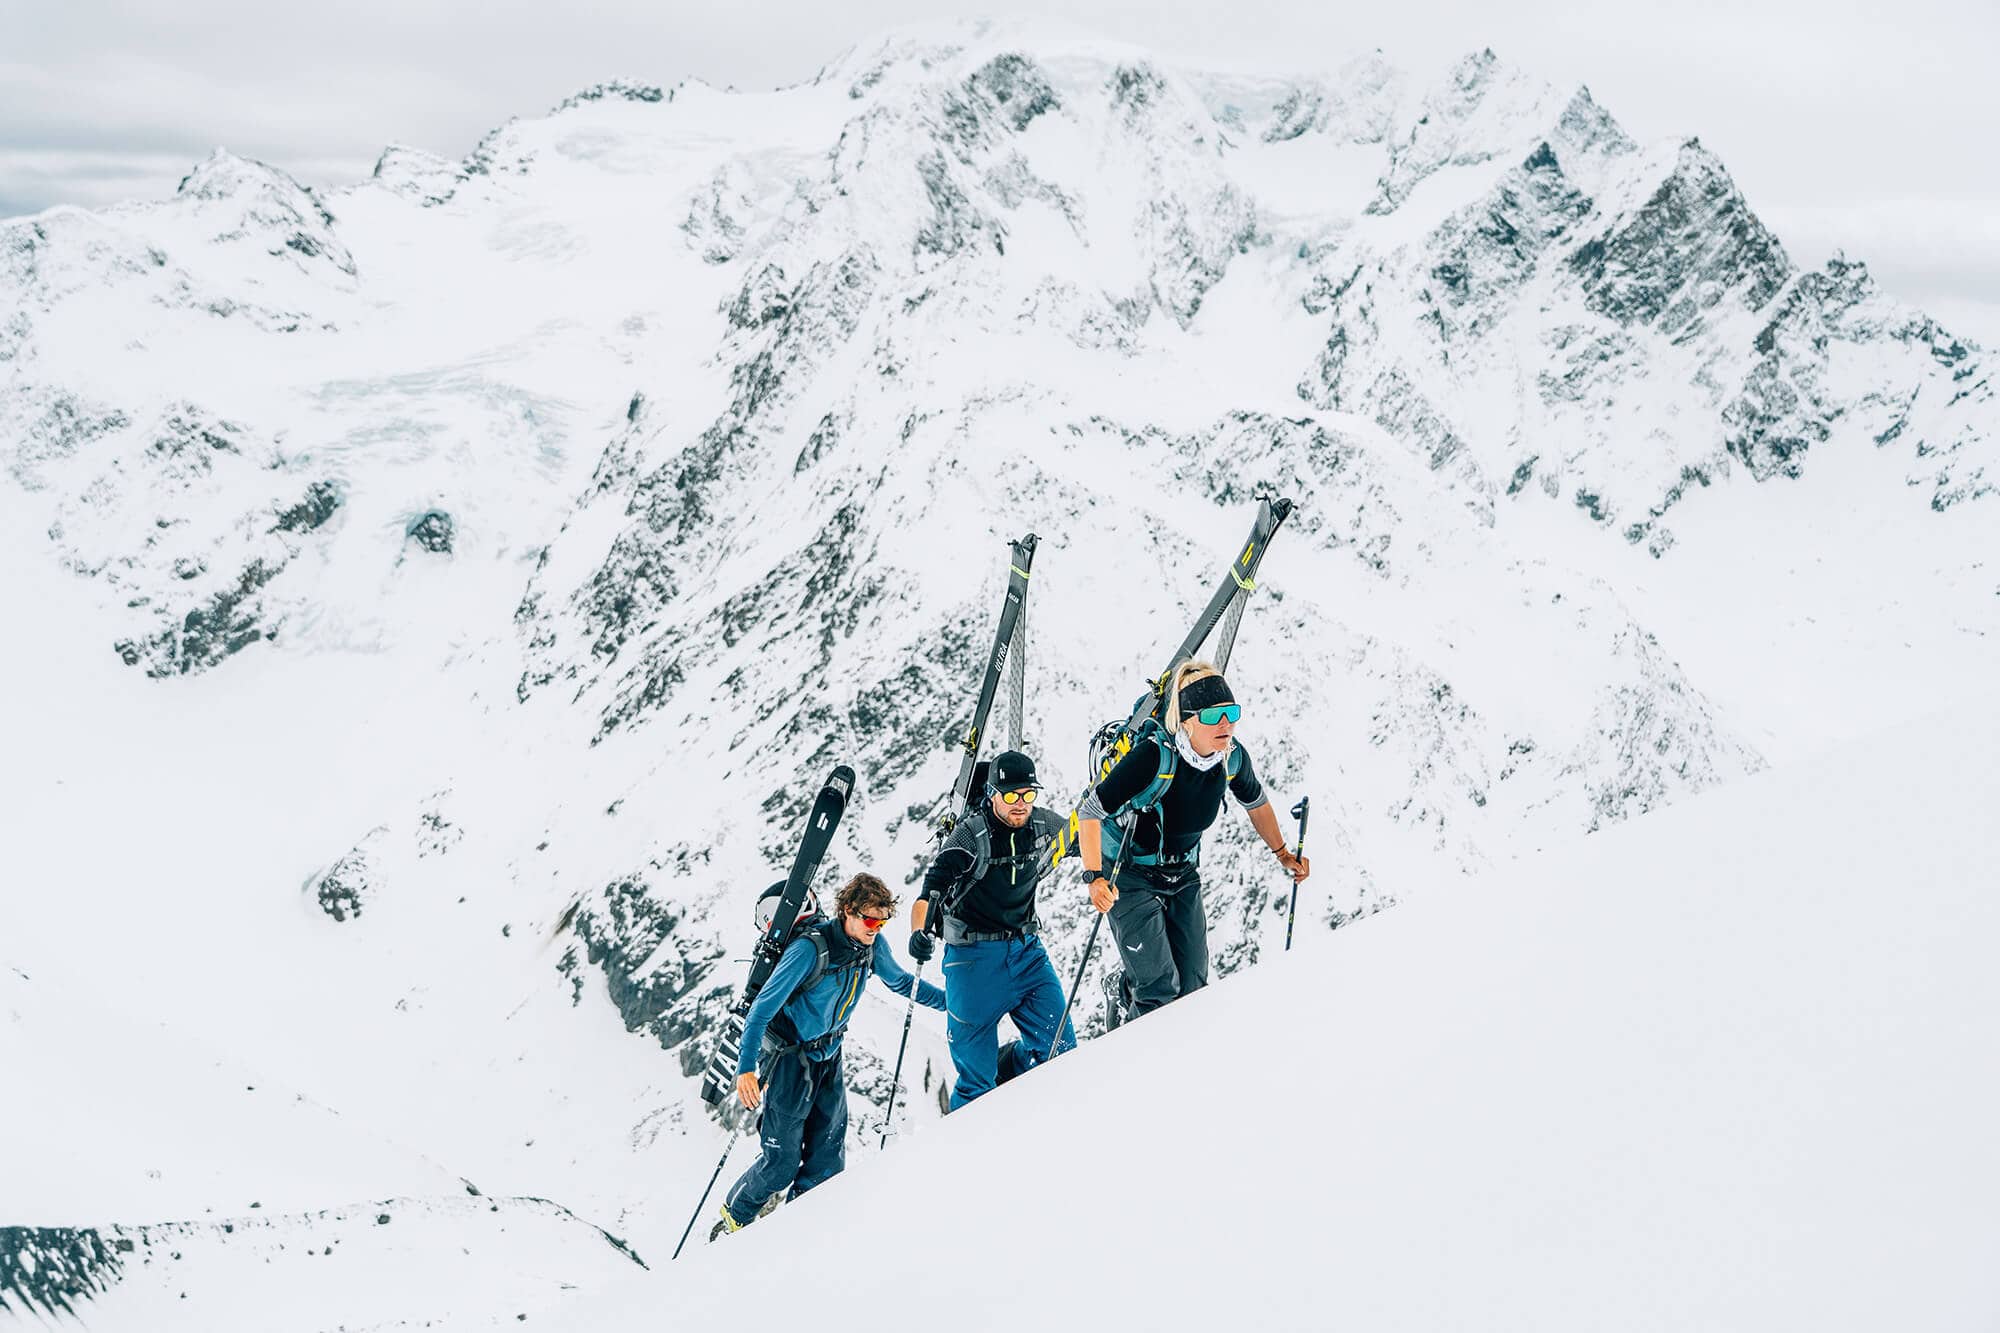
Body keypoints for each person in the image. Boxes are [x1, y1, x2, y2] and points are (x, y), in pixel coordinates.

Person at [711, 873, 943, 1240]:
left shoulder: (871, 946)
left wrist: (953, 1002)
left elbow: (899, 982)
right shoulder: (809, 951)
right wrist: (745, 1070)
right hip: (791, 1061)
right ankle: (732, 1221)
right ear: (847, 912)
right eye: (869, 920)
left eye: (882, 922)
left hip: (829, 1057)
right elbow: (760, 1011)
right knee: (780, 1164)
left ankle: (801, 1232)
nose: (876, 928)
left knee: (828, 1160)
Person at [1076, 662, 1308, 1018]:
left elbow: (1256, 802)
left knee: (1194, 987)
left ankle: (1129, 991)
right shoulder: (1153, 757)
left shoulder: (1231, 757)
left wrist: (1282, 854)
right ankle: (1137, 1055)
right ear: (1186, 720)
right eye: (1214, 715)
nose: (1226, 724)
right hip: (1130, 876)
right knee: (1158, 991)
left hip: (1183, 874)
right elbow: (1091, 811)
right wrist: (1094, 877)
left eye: (1232, 713)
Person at [909, 749, 1076, 1110]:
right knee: (976, 1085)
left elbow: (1084, 836)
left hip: (1026, 952)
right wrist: (919, 931)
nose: (1021, 804)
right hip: (971, 962)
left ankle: (1012, 1071)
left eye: (1028, 795)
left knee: (1061, 1051)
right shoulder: (970, 837)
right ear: (992, 795)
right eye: (1011, 795)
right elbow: (930, 892)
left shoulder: (1044, 826)